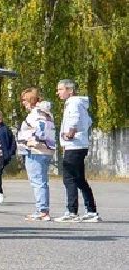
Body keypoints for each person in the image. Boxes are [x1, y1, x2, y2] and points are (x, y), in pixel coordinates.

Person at [56, 80, 101, 222]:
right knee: (80, 179)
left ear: (70, 90)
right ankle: (91, 211)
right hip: (78, 145)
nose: (58, 92)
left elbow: (74, 119)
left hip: (74, 146)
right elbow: (88, 121)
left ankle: (72, 211)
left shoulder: (73, 102)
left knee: (69, 178)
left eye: (61, 89)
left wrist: (70, 133)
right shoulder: (79, 103)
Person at [16, 89, 56, 221]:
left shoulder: (37, 113)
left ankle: (42, 211)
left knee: (38, 181)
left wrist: (33, 141)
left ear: (31, 100)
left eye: (25, 100)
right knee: (41, 181)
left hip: (36, 151)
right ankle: (42, 209)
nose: (23, 103)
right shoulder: (45, 112)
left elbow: (41, 128)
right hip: (45, 150)